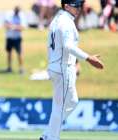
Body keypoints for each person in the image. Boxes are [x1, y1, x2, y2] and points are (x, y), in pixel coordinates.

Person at [40, 0, 104, 140]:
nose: (79, 8)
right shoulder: (66, 22)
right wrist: (88, 58)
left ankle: (48, 133)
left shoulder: (58, 19)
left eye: (80, 5)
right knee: (59, 107)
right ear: (66, 6)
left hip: (57, 66)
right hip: (62, 68)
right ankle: (51, 137)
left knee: (72, 102)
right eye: (76, 6)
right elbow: (68, 46)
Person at [4, 6, 27, 74]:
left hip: (17, 38)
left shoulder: (21, 16)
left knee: (19, 53)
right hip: (9, 37)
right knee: (9, 53)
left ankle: (21, 69)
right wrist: (16, 26)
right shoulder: (9, 14)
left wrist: (13, 27)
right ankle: (9, 68)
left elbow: (22, 27)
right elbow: (5, 24)